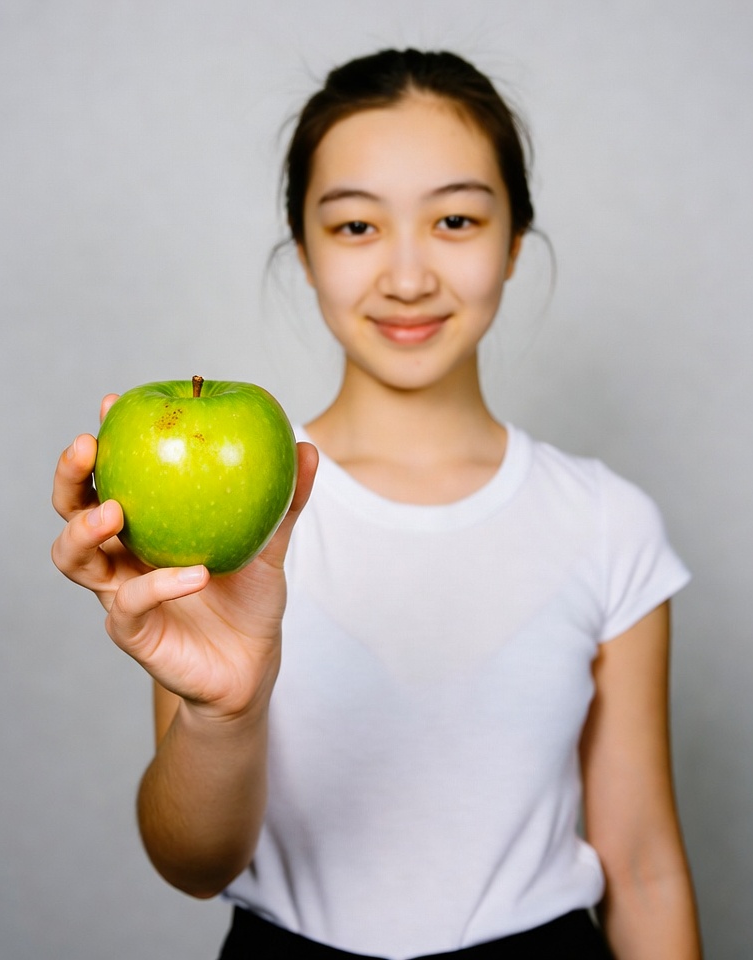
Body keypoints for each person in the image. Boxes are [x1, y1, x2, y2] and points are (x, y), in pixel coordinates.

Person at [52, 48, 702, 960]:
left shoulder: (607, 522)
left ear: (515, 241)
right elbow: (195, 863)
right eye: (356, 226)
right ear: (304, 249)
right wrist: (220, 715)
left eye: (456, 219)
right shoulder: (244, 525)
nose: (406, 275)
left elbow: (641, 868)